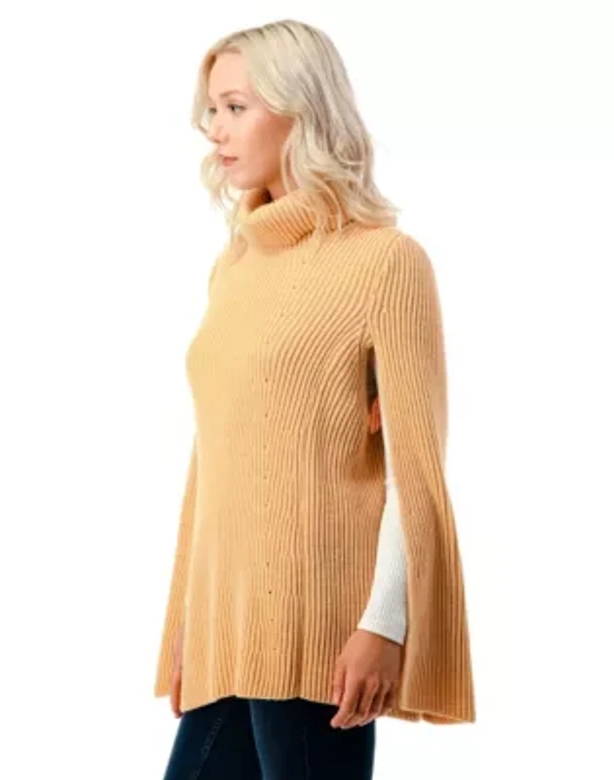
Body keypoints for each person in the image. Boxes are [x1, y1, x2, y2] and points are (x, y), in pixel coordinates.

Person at [154, 18, 475, 779]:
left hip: (321, 634)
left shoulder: (385, 262)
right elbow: (215, 455)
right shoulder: (235, 267)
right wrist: (190, 623)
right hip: (230, 629)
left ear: (300, 108)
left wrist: (383, 624)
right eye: (212, 110)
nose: (215, 129)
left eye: (236, 107)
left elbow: (413, 469)